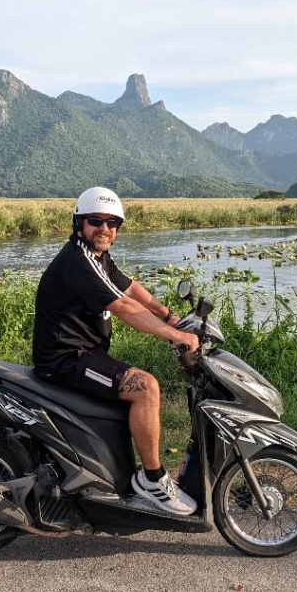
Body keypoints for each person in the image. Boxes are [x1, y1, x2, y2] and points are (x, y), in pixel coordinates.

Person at [32, 187, 201, 515]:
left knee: (132, 384)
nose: (105, 228)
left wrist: (171, 316)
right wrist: (172, 334)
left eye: (113, 223)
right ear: (78, 222)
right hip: (67, 359)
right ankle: (152, 480)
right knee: (146, 388)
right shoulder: (78, 261)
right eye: (96, 220)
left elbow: (131, 288)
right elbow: (123, 305)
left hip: (85, 353)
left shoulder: (97, 257)